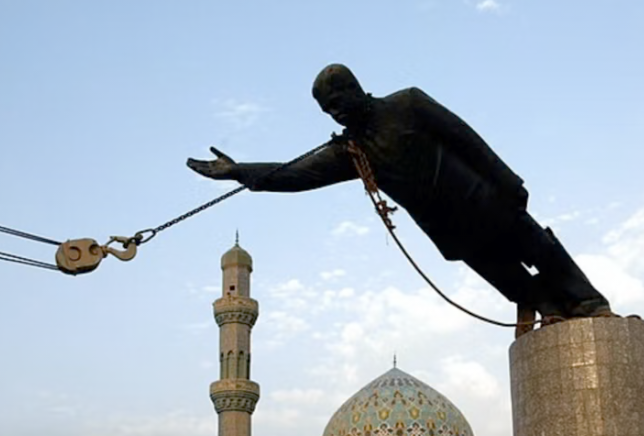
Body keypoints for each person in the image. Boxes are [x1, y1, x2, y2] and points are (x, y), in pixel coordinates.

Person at [187, 64, 613, 325]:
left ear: (354, 88)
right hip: (452, 231)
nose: (336, 112)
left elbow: (466, 138)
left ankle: (589, 303)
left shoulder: (407, 104)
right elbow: (297, 174)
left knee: (540, 248)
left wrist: (508, 180)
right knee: (505, 274)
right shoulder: (351, 152)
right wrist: (240, 171)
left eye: (338, 101)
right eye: (327, 110)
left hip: (486, 200)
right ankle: (548, 309)